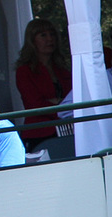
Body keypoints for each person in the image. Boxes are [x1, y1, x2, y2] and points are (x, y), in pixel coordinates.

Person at [14, 17, 72, 147]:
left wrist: (55, 102)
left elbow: (73, 98)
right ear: (32, 41)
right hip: (39, 134)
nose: (49, 39)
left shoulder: (62, 68)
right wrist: (61, 106)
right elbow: (35, 105)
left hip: (67, 131)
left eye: (52, 34)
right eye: (43, 35)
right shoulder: (24, 71)